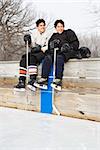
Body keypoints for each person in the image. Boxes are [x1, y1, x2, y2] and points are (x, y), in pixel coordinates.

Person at [34, 19, 79, 91]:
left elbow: (75, 43)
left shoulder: (68, 33)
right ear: (56, 28)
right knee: (47, 57)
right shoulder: (54, 36)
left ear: (63, 27)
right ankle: (44, 79)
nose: (60, 28)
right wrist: (52, 46)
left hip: (66, 52)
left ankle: (58, 80)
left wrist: (69, 47)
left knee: (59, 58)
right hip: (55, 52)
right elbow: (49, 45)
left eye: (61, 26)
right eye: (58, 26)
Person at [14, 19, 52, 91]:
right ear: (37, 27)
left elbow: (48, 45)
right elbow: (31, 45)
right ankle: (22, 81)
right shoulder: (34, 34)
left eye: (43, 25)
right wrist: (27, 40)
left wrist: (41, 48)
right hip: (35, 51)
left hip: (43, 52)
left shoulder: (48, 34)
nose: (42, 27)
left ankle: (32, 79)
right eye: (41, 25)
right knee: (24, 59)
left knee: (32, 58)